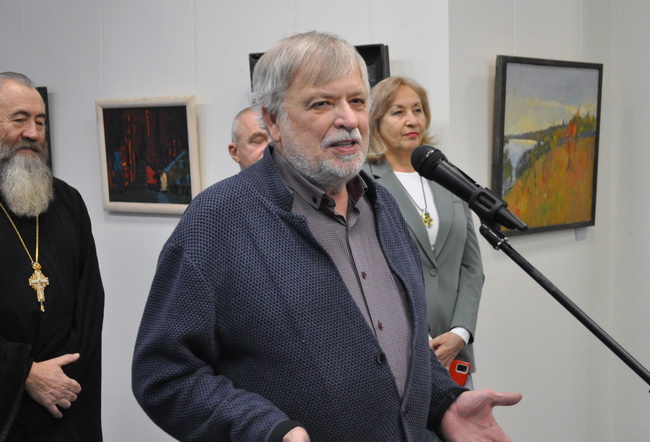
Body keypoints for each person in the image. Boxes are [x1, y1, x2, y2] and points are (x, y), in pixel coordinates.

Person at [132, 32, 520, 442]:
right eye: (322, 103)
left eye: (357, 101)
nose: (349, 120)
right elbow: (164, 374)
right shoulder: (218, 219)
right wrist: (265, 429)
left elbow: (400, 342)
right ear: (273, 121)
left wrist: (445, 402)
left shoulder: (383, 206)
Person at [0, 72, 105, 441]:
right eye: (20, 119)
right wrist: (24, 373)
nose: (33, 132)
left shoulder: (67, 202)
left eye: (40, 122)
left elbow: (90, 304)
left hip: (66, 405)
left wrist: (65, 378)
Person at [363, 76, 484, 389]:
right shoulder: (363, 182)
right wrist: (420, 337)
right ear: (375, 121)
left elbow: (471, 267)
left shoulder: (447, 175)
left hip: (455, 353)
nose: (412, 120)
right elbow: (368, 272)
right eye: (398, 112)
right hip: (398, 351)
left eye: (417, 110)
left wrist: (461, 332)